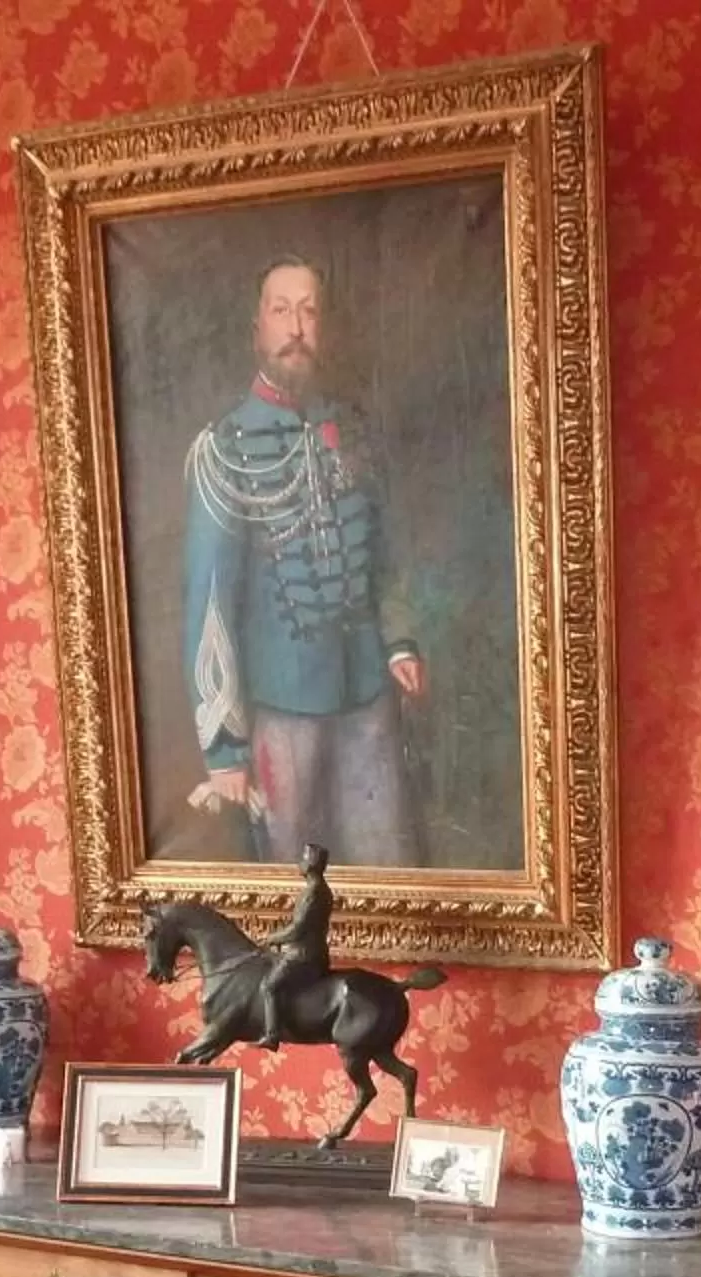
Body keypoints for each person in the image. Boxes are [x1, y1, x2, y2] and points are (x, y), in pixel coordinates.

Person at [180, 257, 427, 866]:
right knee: (294, 885)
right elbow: (208, 602)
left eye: (309, 310)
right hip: (282, 703)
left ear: (325, 329)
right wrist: (225, 750)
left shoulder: (355, 432)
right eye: (281, 309)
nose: (296, 326)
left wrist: (398, 642)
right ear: (257, 329)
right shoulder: (224, 449)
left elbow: (384, 552)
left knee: (387, 868)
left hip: (368, 691)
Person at [252, 844, 333, 1049]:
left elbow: (298, 929)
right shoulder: (318, 890)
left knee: (269, 986)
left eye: (303, 859)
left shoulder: (313, 893)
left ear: (311, 864)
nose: (300, 863)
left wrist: (272, 938)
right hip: (307, 952)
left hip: (304, 956)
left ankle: (272, 1035)